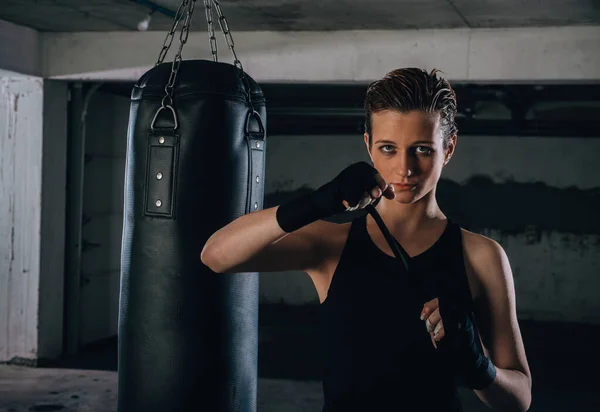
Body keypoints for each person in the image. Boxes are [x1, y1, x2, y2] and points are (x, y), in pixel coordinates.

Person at [201, 68, 532, 411]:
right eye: (389, 148)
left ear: (448, 148)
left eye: (422, 149)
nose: (405, 168)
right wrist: (318, 202)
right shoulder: (330, 244)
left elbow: (520, 398)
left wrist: (478, 365)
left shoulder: (480, 256)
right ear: (369, 147)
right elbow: (216, 255)